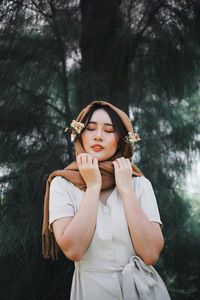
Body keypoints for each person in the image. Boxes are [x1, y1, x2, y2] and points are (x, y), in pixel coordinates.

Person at [42, 100, 171, 300]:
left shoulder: (139, 184)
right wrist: (93, 186)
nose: (98, 136)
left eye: (109, 130)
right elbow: (74, 250)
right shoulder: (62, 184)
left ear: (121, 139)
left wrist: (126, 191)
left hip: (143, 291)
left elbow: (151, 253)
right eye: (90, 128)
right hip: (91, 291)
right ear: (79, 135)